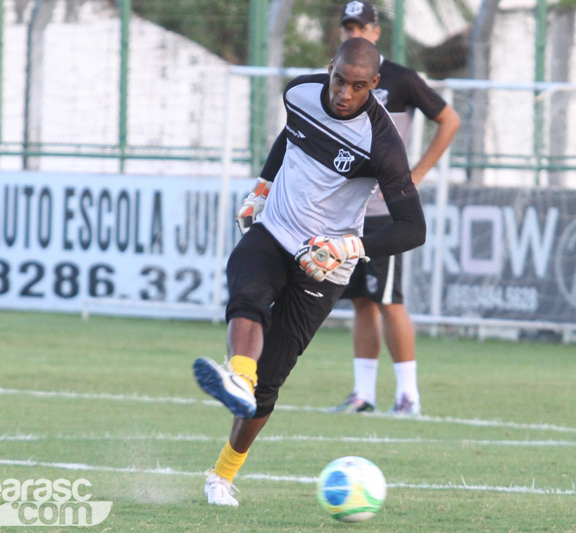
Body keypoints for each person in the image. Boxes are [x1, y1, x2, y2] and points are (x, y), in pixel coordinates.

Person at [192, 37, 426, 507]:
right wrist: (263, 186)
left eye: (358, 86)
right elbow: (291, 133)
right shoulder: (299, 92)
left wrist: (348, 247)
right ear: (330, 67)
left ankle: (221, 475)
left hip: (323, 264)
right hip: (275, 230)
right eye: (339, 80)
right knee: (247, 289)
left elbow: (413, 228)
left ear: (374, 84)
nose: (344, 93)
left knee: (270, 383)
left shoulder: (382, 143)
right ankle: (239, 376)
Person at [329, 1, 460, 416]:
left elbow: (450, 120)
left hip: (384, 211)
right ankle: (363, 394)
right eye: (348, 27)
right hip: (348, 211)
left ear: (376, 32)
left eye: (361, 27)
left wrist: (416, 174)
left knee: (389, 300)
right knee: (361, 301)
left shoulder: (400, 79)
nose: (354, 34)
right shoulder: (338, 79)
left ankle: (408, 396)